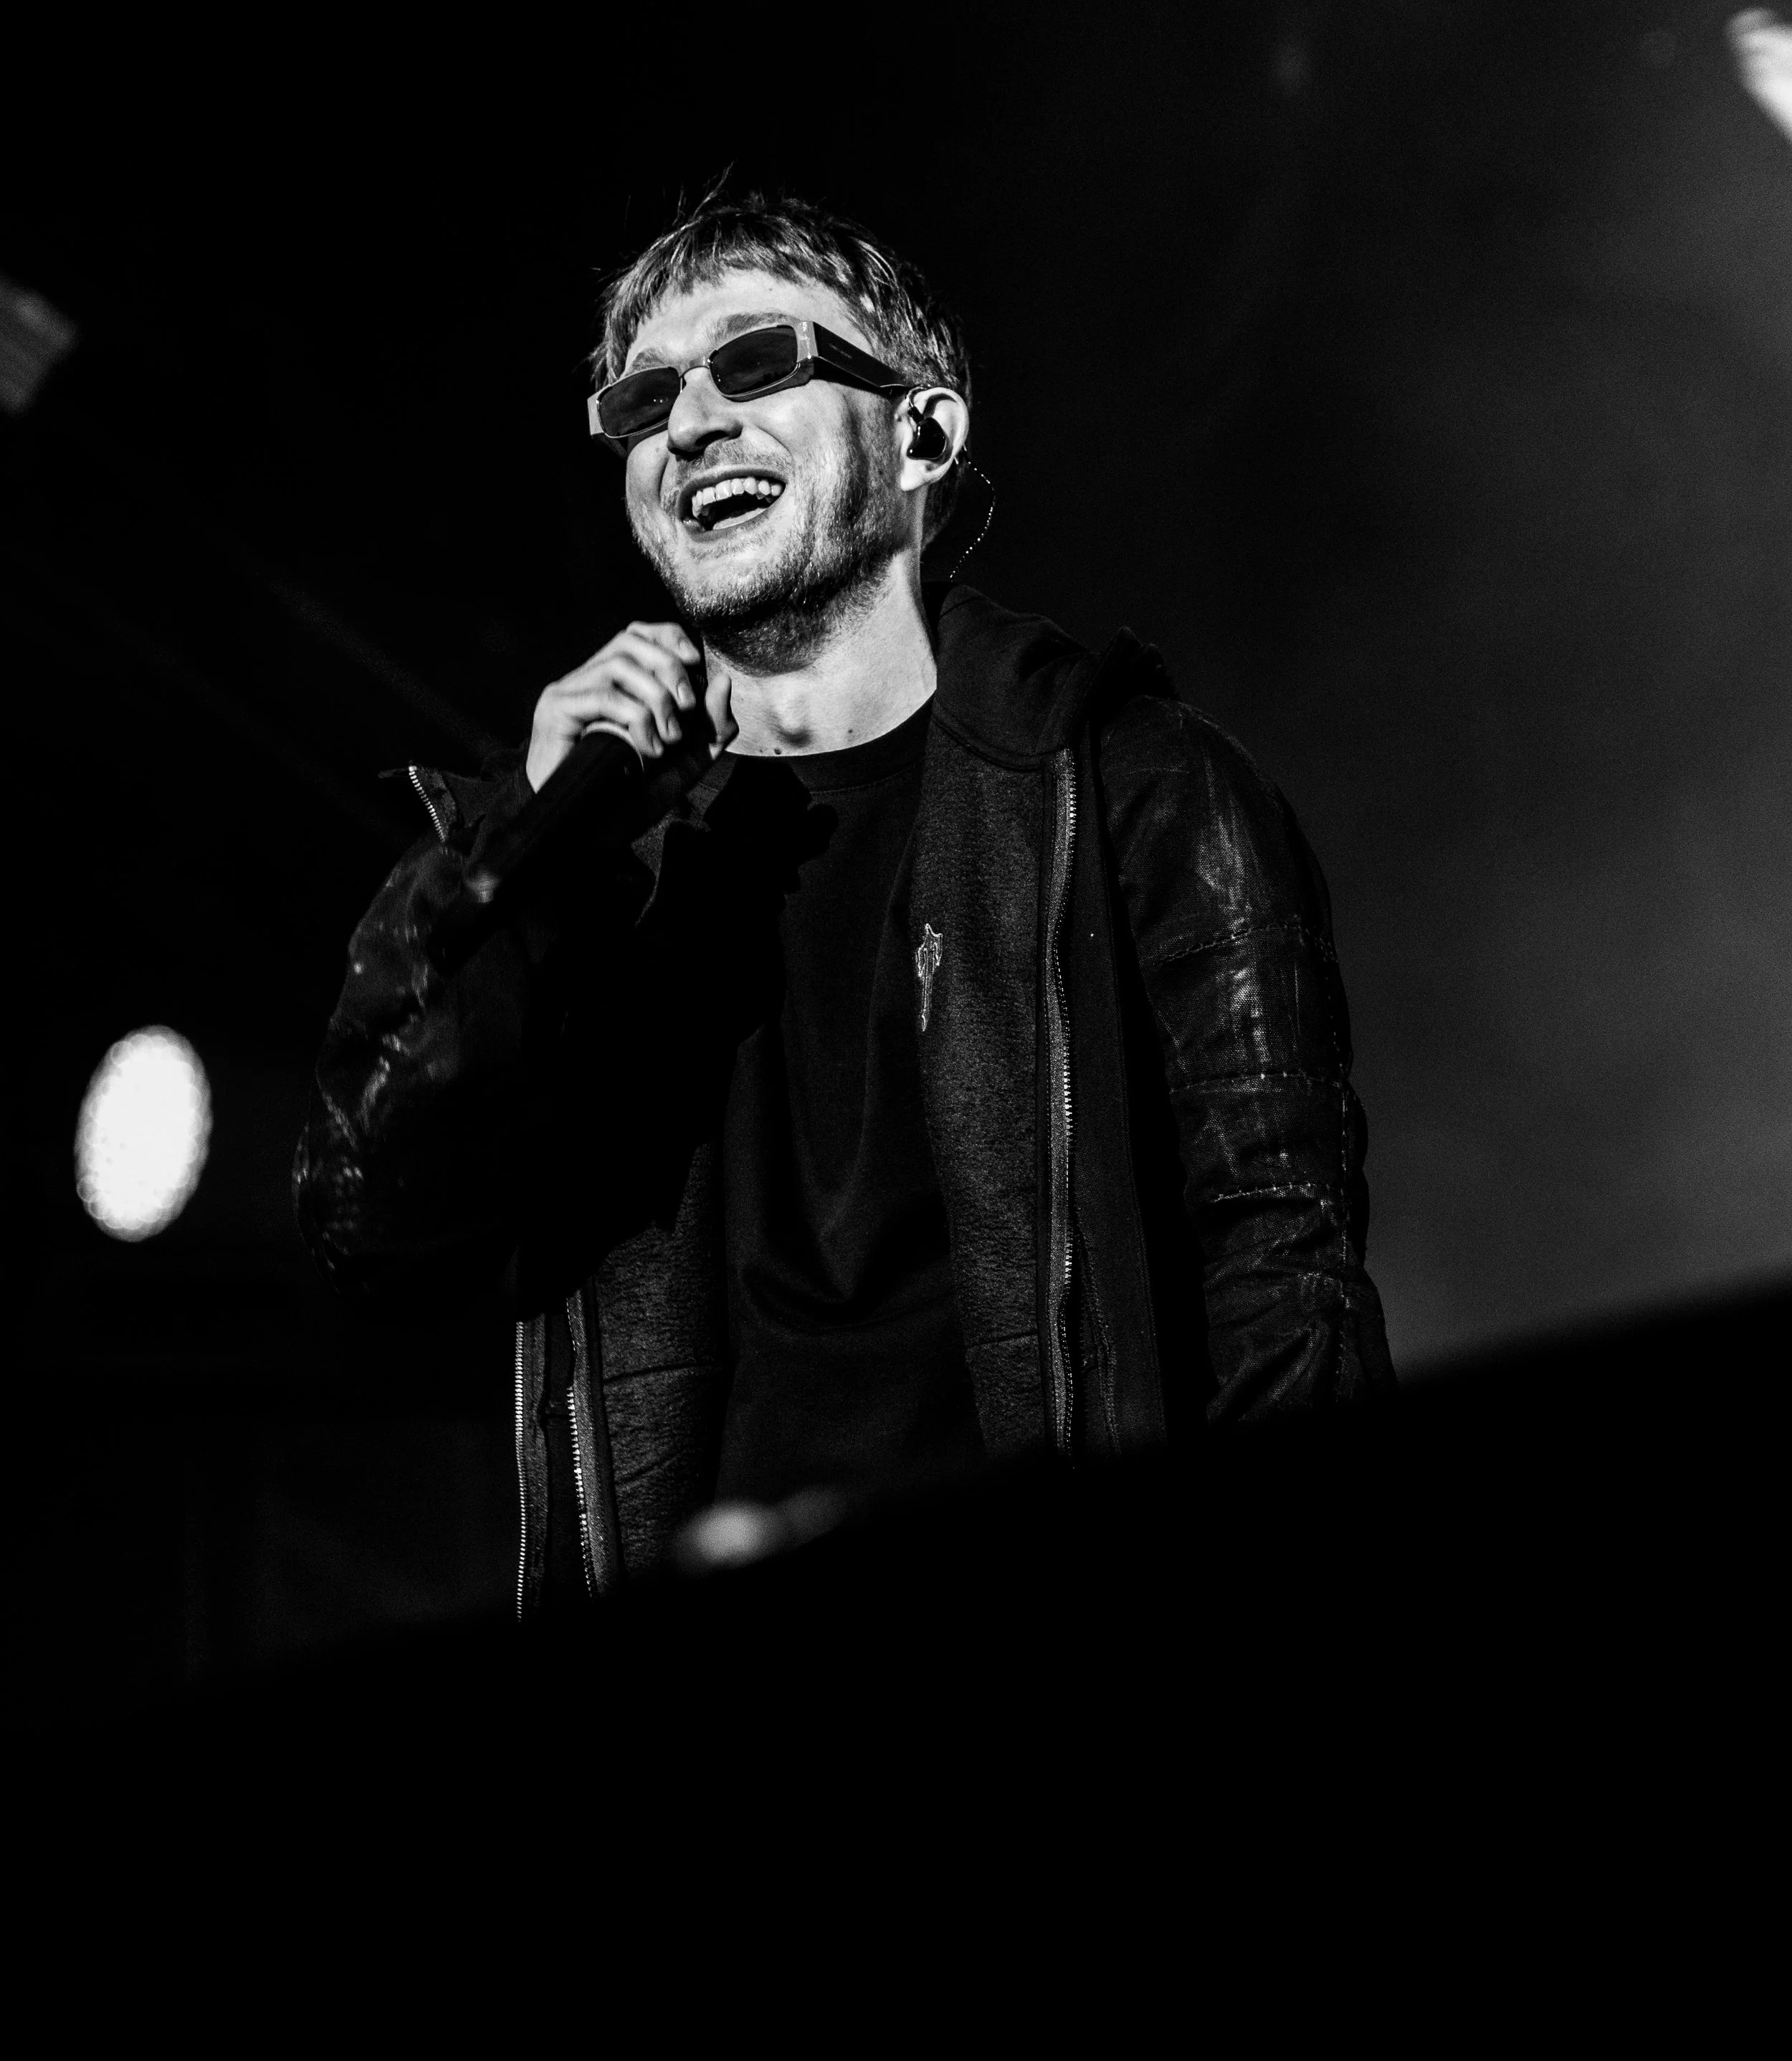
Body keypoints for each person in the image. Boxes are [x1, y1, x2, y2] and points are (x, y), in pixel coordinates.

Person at [294, 190, 1393, 1605]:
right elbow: (373, 1231)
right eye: (643, 402)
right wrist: (525, 853)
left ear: (922, 437)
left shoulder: (1133, 789)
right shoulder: (586, 861)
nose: (691, 425)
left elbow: (1283, 1285)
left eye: (757, 363)